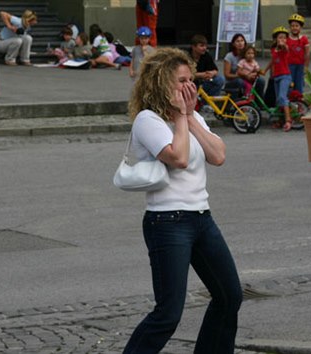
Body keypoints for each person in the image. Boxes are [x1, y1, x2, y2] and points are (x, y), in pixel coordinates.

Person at [123, 47, 242, 353]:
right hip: (167, 222)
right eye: (181, 81)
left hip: (202, 218)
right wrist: (179, 117)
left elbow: (218, 155)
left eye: (191, 79)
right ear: (161, 83)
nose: (190, 86)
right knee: (168, 313)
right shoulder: (148, 120)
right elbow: (178, 157)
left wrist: (188, 117)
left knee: (229, 295)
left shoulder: (193, 117)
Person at [261, 26, 292, 132]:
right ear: (275, 39)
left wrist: (283, 45)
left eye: (284, 38)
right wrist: (265, 70)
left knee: (282, 97)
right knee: (278, 100)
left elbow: (285, 48)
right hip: (276, 77)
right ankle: (280, 119)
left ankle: (288, 120)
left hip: (285, 76)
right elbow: (272, 61)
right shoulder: (274, 49)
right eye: (280, 38)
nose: (282, 40)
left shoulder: (284, 49)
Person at [286, 13, 310, 94]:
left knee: (299, 85)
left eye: (297, 26)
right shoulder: (287, 39)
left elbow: (307, 54)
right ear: (290, 27)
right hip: (289, 66)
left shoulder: (304, 39)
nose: (294, 28)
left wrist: (306, 67)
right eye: (292, 26)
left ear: (300, 27)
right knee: (289, 85)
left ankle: (299, 103)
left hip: (300, 66)